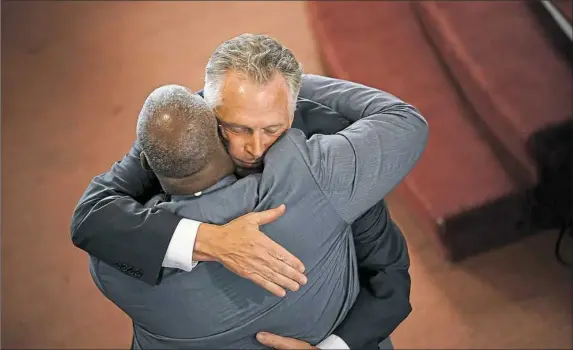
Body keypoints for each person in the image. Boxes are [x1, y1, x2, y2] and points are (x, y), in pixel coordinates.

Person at [71, 34, 426, 349]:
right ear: (209, 117)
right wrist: (208, 240)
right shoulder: (185, 137)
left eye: (273, 128)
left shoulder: (328, 150)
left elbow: (389, 276)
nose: (256, 148)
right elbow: (91, 217)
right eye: (237, 129)